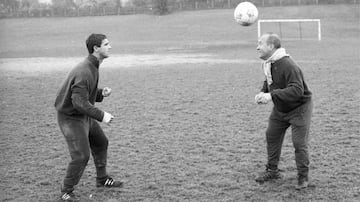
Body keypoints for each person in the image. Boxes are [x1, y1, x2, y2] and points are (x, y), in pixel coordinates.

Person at [55, 33, 123, 201]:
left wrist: (100, 93)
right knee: (81, 156)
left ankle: (102, 179)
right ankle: (66, 191)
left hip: (82, 115)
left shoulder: (92, 66)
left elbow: (83, 95)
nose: (110, 47)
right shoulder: (85, 70)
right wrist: (102, 115)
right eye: (106, 44)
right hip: (71, 118)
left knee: (101, 142)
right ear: (96, 48)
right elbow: (78, 102)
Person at [254, 33, 313, 190]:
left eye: (260, 43)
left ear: (271, 46)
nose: (257, 47)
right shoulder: (268, 63)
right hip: (281, 108)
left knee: (299, 143)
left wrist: (271, 96)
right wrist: (263, 92)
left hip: (299, 108)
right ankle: (272, 171)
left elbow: (297, 90)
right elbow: (269, 80)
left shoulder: (288, 65)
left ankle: (303, 177)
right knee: (271, 135)